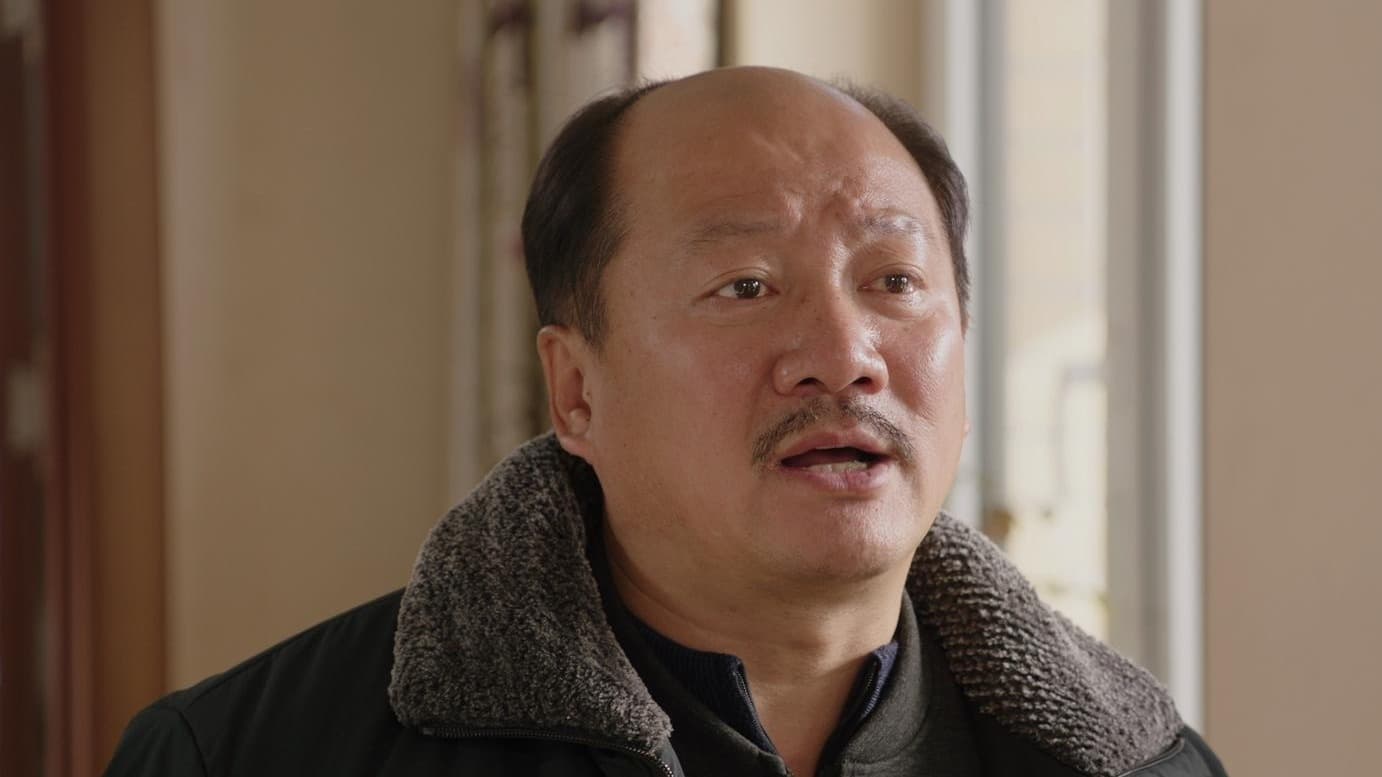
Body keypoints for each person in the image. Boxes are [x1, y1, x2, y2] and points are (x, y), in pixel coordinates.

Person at [104, 67, 1226, 777]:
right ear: (576, 391)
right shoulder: (247, 754)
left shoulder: (1135, 762)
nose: (844, 354)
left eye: (893, 282)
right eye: (745, 285)